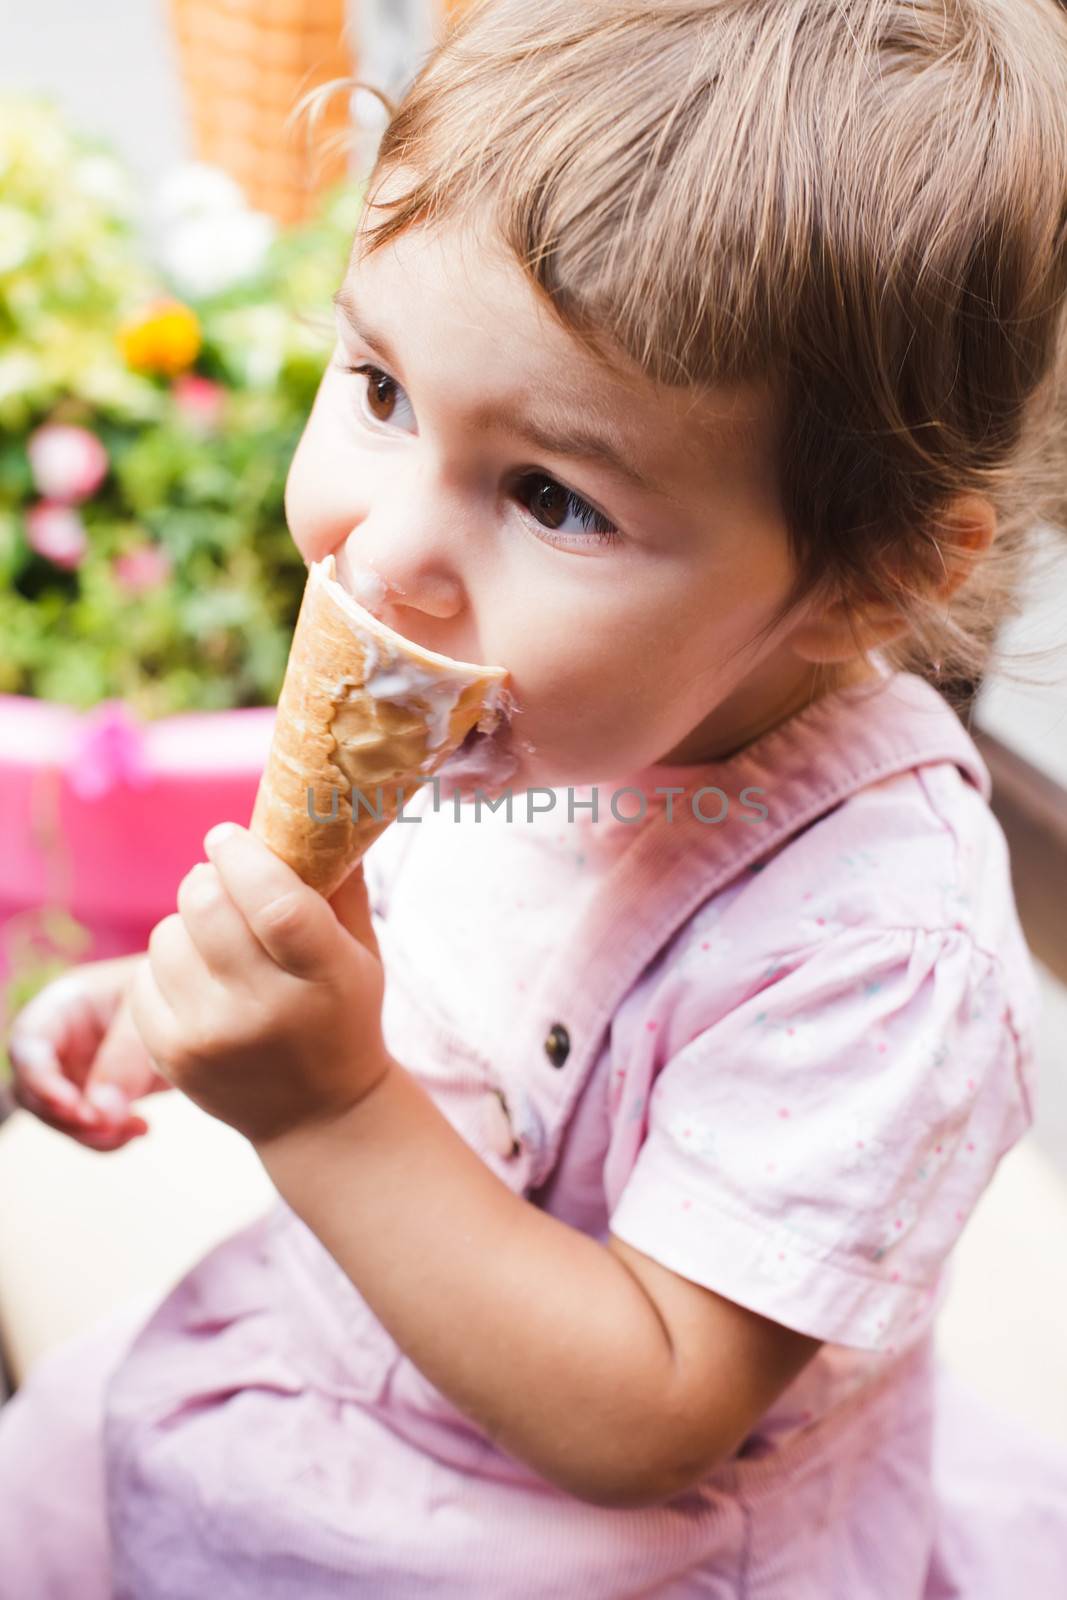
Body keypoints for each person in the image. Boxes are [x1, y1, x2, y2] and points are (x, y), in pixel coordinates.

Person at [4, 0, 1067, 1593]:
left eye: (553, 497)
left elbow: (651, 1412)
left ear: (865, 583)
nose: (383, 553)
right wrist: (184, 1004)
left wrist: (330, 1106)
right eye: (379, 388)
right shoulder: (542, 705)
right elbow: (438, 978)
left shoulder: (881, 951)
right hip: (326, 1381)